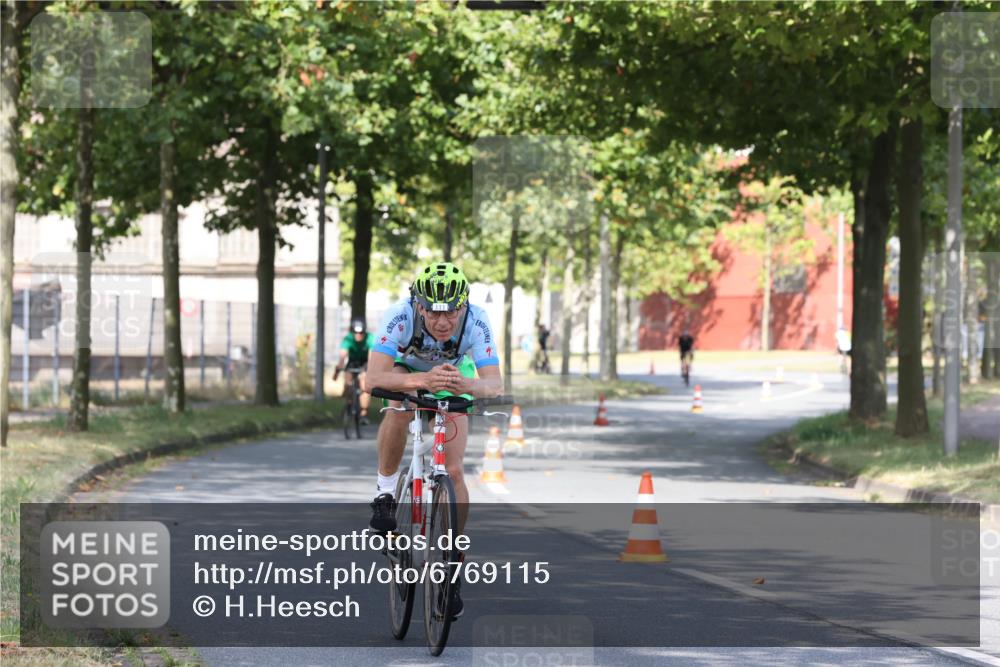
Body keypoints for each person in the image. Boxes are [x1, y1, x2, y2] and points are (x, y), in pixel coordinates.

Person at [364, 261, 503, 619]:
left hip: (455, 378)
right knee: (396, 401)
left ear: (463, 307)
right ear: (419, 306)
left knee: (454, 472)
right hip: (407, 375)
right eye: (433, 313)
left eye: (451, 314)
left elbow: (494, 383)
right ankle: (385, 491)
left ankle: (453, 559)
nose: (443, 323)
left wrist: (465, 385)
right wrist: (422, 382)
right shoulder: (399, 316)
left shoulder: (477, 319)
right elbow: (372, 377)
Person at [334, 318, 374, 422]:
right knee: (348, 383)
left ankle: (363, 414)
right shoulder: (348, 339)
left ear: (364, 332)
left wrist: (367, 371)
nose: (358, 334)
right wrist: (339, 368)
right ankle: (349, 403)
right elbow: (342, 357)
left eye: (361, 332)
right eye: (355, 332)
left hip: (365, 362)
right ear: (352, 332)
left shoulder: (370, 338)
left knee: (364, 385)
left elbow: (371, 358)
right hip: (352, 361)